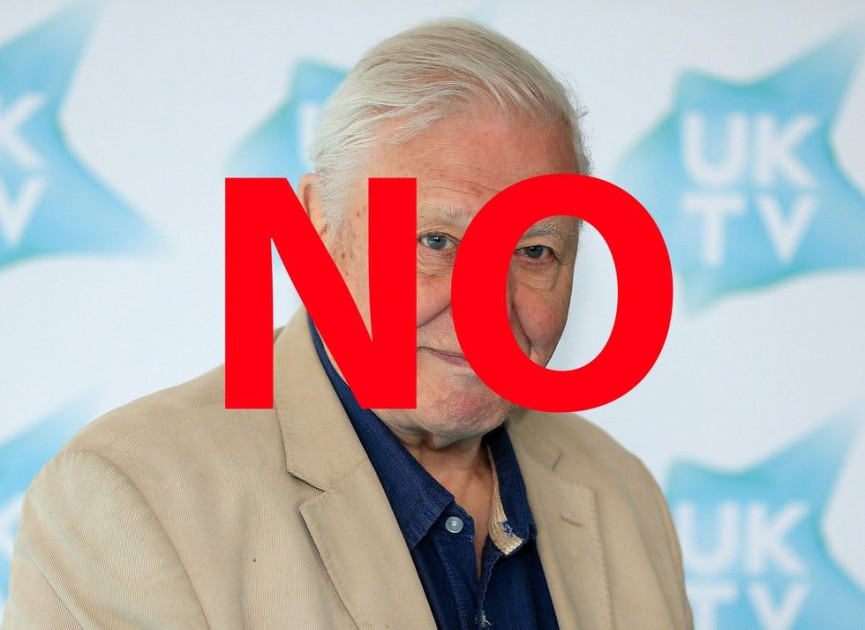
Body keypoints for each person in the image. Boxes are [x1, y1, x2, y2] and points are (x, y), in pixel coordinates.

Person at [3, 19, 693, 630]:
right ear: (318, 229)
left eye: (534, 250)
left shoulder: (621, 492)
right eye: (435, 241)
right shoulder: (131, 497)